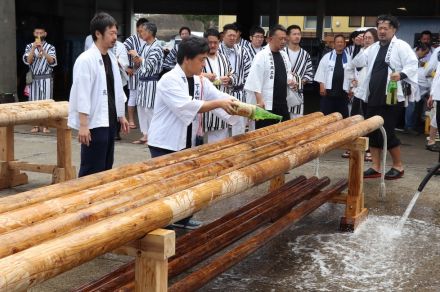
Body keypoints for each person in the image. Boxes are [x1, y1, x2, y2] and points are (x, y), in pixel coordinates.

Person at [147, 36, 238, 229]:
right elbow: (188, 106)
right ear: (187, 59)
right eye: (201, 60)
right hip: (165, 142)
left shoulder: (199, 81)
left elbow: (219, 96)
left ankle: (182, 219)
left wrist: (244, 108)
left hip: (186, 140)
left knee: (187, 182)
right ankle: (163, 224)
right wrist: (220, 103)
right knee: (168, 186)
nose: (204, 64)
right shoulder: (169, 80)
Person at [349, 15, 418, 180]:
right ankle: (376, 166)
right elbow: (357, 63)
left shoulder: (401, 46)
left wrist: (401, 74)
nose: (382, 31)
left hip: (392, 97)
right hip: (372, 96)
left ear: (394, 30)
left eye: (385, 28)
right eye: (379, 28)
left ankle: (398, 166)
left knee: (387, 131)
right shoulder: (373, 48)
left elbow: (412, 64)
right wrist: (358, 46)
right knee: (373, 131)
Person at [68, 12, 129, 177]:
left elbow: (116, 88)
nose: (115, 37)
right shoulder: (85, 59)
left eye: (116, 33)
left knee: (106, 164)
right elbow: (82, 93)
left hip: (109, 118)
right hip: (93, 121)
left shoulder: (110, 57)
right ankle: (85, 199)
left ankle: (102, 199)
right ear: (98, 33)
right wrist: (83, 124)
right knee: (91, 166)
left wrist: (121, 115)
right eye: (111, 33)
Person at [245, 25, 293, 129]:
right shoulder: (261, 56)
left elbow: (288, 74)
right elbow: (254, 80)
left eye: (285, 39)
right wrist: (259, 101)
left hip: (282, 102)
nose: (284, 41)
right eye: (281, 39)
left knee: (284, 132)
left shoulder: (284, 55)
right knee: (264, 134)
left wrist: (292, 81)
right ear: (270, 39)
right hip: (266, 104)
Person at [128, 22, 163, 145]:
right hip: (142, 82)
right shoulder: (145, 46)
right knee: (141, 109)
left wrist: (137, 56)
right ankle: (146, 134)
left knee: (150, 110)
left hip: (151, 82)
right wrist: (136, 60)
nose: (140, 33)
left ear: (149, 32)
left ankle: (154, 136)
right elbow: (139, 64)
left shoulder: (157, 47)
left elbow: (148, 66)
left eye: (142, 31)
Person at [201, 28, 236, 143]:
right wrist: (204, 75)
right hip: (203, 108)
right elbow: (189, 75)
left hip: (221, 109)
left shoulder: (223, 58)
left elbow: (233, 74)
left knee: (219, 143)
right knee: (198, 144)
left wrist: (229, 79)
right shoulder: (198, 57)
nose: (212, 45)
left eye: (215, 42)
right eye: (209, 42)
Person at [23, 24, 57, 133]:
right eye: (36, 33)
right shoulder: (29, 46)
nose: (38, 35)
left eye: (41, 33)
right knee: (33, 102)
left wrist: (43, 50)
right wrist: (34, 48)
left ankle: (46, 125)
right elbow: (28, 61)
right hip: (34, 79)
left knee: (46, 102)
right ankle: (35, 125)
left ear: (45, 34)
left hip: (46, 78)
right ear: (33, 34)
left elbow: (52, 61)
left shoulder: (50, 47)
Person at [219, 23, 252, 135]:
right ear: (223, 35)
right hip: (221, 93)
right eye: (230, 35)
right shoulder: (216, 50)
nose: (232, 38)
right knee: (221, 128)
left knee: (239, 129)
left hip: (239, 93)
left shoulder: (243, 51)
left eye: (234, 35)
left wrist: (234, 80)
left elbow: (248, 73)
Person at [315, 34, 351, 118]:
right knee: (326, 118)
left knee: (342, 118)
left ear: (345, 44)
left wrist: (351, 88)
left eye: (341, 42)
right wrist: (321, 85)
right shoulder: (326, 57)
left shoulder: (349, 58)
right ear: (334, 44)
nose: (339, 44)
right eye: (337, 42)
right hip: (328, 94)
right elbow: (321, 71)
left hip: (343, 95)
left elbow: (352, 74)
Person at [405, 30, 434, 134]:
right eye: (424, 39)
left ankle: (417, 125)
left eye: (428, 39)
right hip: (415, 84)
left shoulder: (434, 52)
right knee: (412, 106)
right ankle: (408, 127)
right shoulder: (413, 52)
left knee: (422, 106)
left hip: (426, 84)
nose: (426, 41)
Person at [123, 17, 149, 130]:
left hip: (147, 74)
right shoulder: (131, 40)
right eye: (139, 30)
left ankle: (146, 122)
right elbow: (120, 53)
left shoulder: (151, 40)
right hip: (134, 73)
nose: (141, 32)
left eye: (143, 30)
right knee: (133, 96)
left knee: (145, 98)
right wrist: (126, 67)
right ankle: (131, 120)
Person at [284, 24, 314, 119]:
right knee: (280, 121)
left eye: (299, 34)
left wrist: (300, 82)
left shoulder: (305, 55)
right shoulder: (282, 52)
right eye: (294, 34)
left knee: (296, 121)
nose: (297, 36)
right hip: (282, 92)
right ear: (288, 36)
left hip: (297, 92)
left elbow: (309, 74)